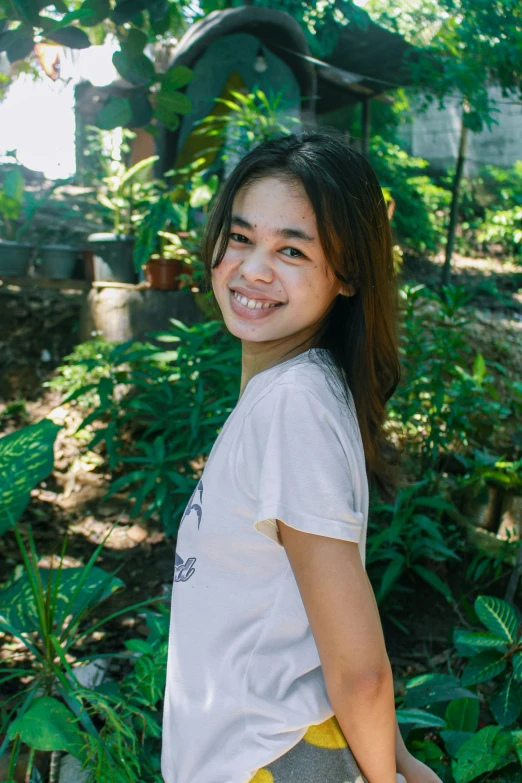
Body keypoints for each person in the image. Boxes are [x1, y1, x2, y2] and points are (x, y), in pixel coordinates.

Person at [161, 131, 443, 783]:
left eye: (291, 249)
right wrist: (398, 757)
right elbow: (327, 620)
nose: (253, 268)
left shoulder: (292, 407)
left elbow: (361, 670)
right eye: (240, 237)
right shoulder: (297, 391)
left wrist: (385, 775)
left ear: (346, 275)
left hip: (271, 763)